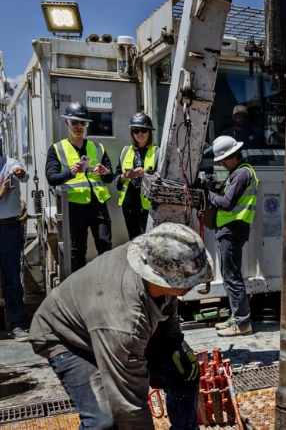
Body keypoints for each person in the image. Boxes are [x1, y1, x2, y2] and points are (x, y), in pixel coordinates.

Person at [28, 222, 211, 430]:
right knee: (105, 422)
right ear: (161, 278)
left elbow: (167, 304)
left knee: (184, 372)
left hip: (105, 327)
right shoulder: (126, 322)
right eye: (190, 281)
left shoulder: (157, 264)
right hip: (68, 338)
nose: (195, 284)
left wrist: (173, 341)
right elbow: (129, 405)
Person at [45, 102, 113, 272]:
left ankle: (105, 283)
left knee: (105, 246)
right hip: (74, 207)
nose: (78, 127)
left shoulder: (97, 148)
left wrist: (105, 172)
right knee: (78, 250)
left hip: (98, 205)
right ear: (66, 122)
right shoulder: (56, 149)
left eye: (82, 123)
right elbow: (52, 178)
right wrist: (70, 172)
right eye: (74, 122)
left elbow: (110, 177)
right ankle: (78, 286)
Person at [209, 136, 259, 337]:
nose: (222, 163)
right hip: (230, 229)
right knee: (230, 275)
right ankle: (236, 317)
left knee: (232, 276)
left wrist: (208, 193)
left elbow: (227, 203)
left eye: (224, 159)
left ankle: (242, 322)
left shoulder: (241, 174)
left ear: (234, 155)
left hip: (232, 229)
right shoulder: (238, 173)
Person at [115, 112, 159, 240]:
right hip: (129, 205)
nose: (140, 133)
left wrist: (145, 173)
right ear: (132, 133)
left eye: (143, 130)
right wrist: (125, 176)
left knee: (149, 241)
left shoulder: (158, 152)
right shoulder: (125, 151)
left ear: (149, 132)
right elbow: (116, 178)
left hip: (149, 206)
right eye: (135, 130)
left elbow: (164, 179)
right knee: (134, 241)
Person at [0, 153, 29, 342]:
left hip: (9, 227)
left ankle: (17, 324)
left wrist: (20, 173)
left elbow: (22, 173)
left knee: (12, 277)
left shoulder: (9, 163)